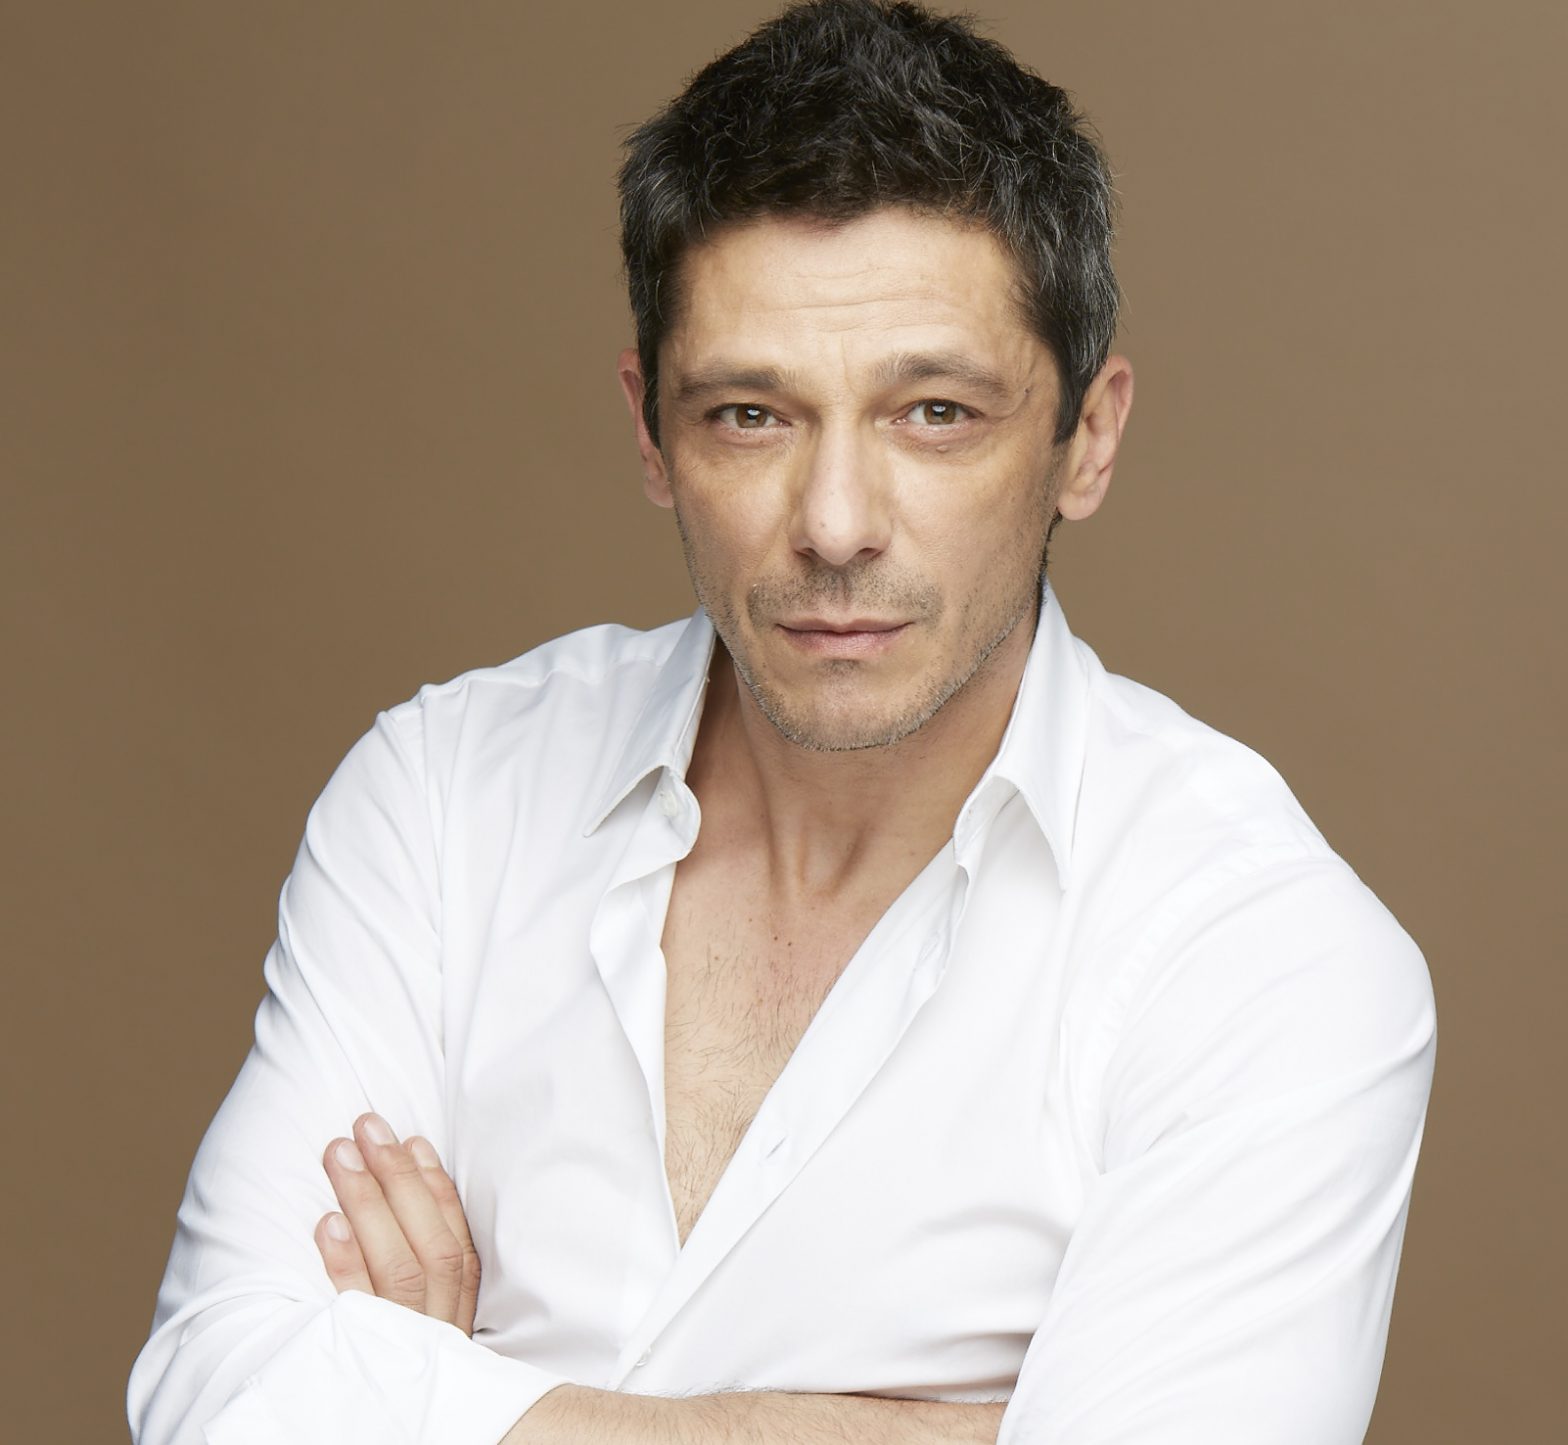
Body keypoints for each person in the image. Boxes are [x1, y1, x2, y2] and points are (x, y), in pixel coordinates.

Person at [129, 3, 1436, 1442]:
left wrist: (443, 1400)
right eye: (751, 414)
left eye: (934, 412)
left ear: (1088, 436)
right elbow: (213, 1394)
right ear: (651, 431)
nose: (835, 524)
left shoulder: (1262, 955)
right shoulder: (443, 798)